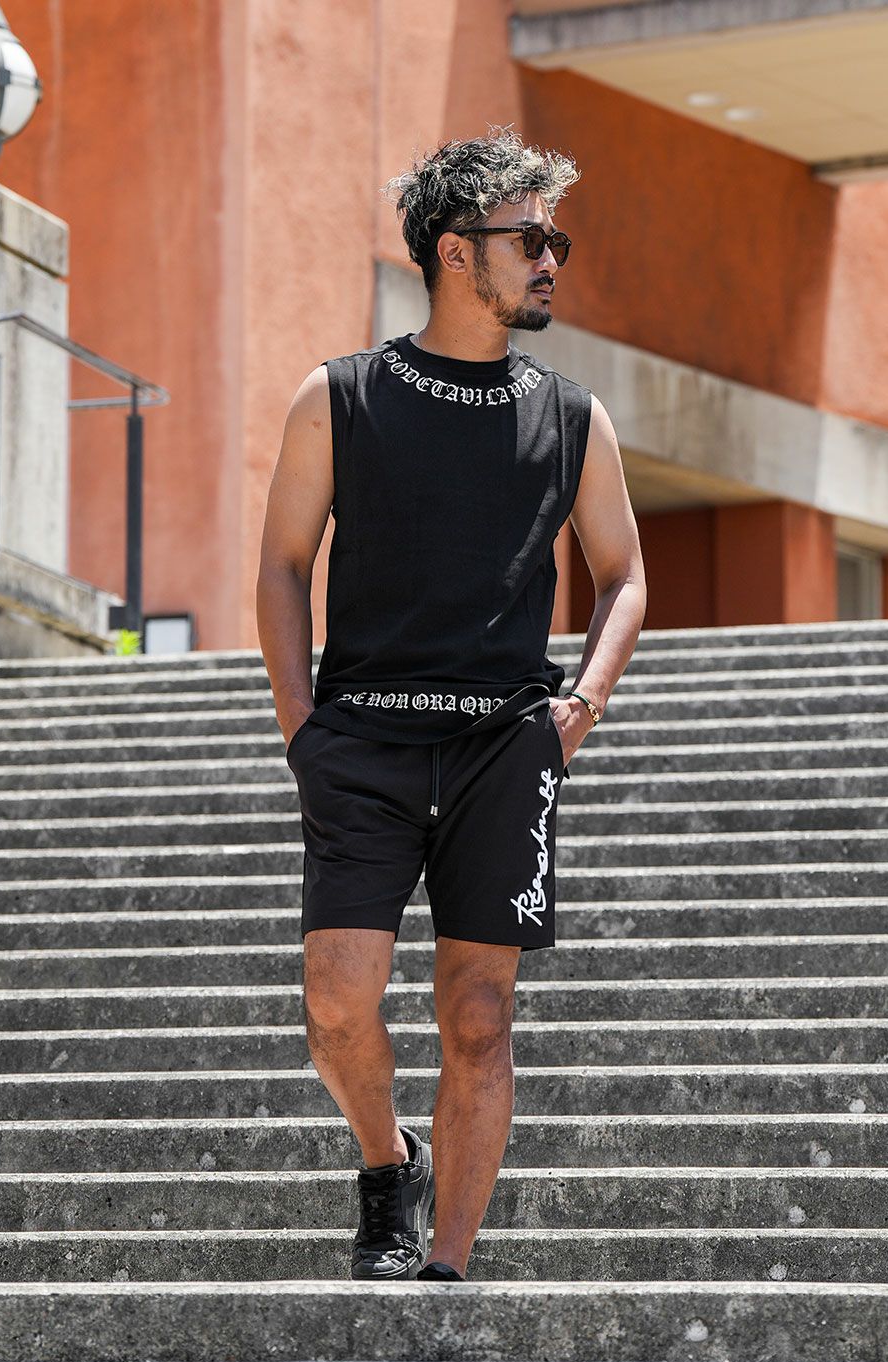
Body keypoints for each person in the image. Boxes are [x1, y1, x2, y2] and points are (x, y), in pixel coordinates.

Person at [256, 124, 646, 1283]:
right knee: (337, 1001)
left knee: (480, 1014)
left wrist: (581, 704)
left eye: (556, 240)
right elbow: (282, 565)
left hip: (502, 749)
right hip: (363, 737)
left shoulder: (572, 416)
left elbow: (624, 573)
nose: (550, 260)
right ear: (452, 250)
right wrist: (301, 725)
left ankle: (447, 1271)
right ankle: (388, 1161)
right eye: (529, 239)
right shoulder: (339, 397)